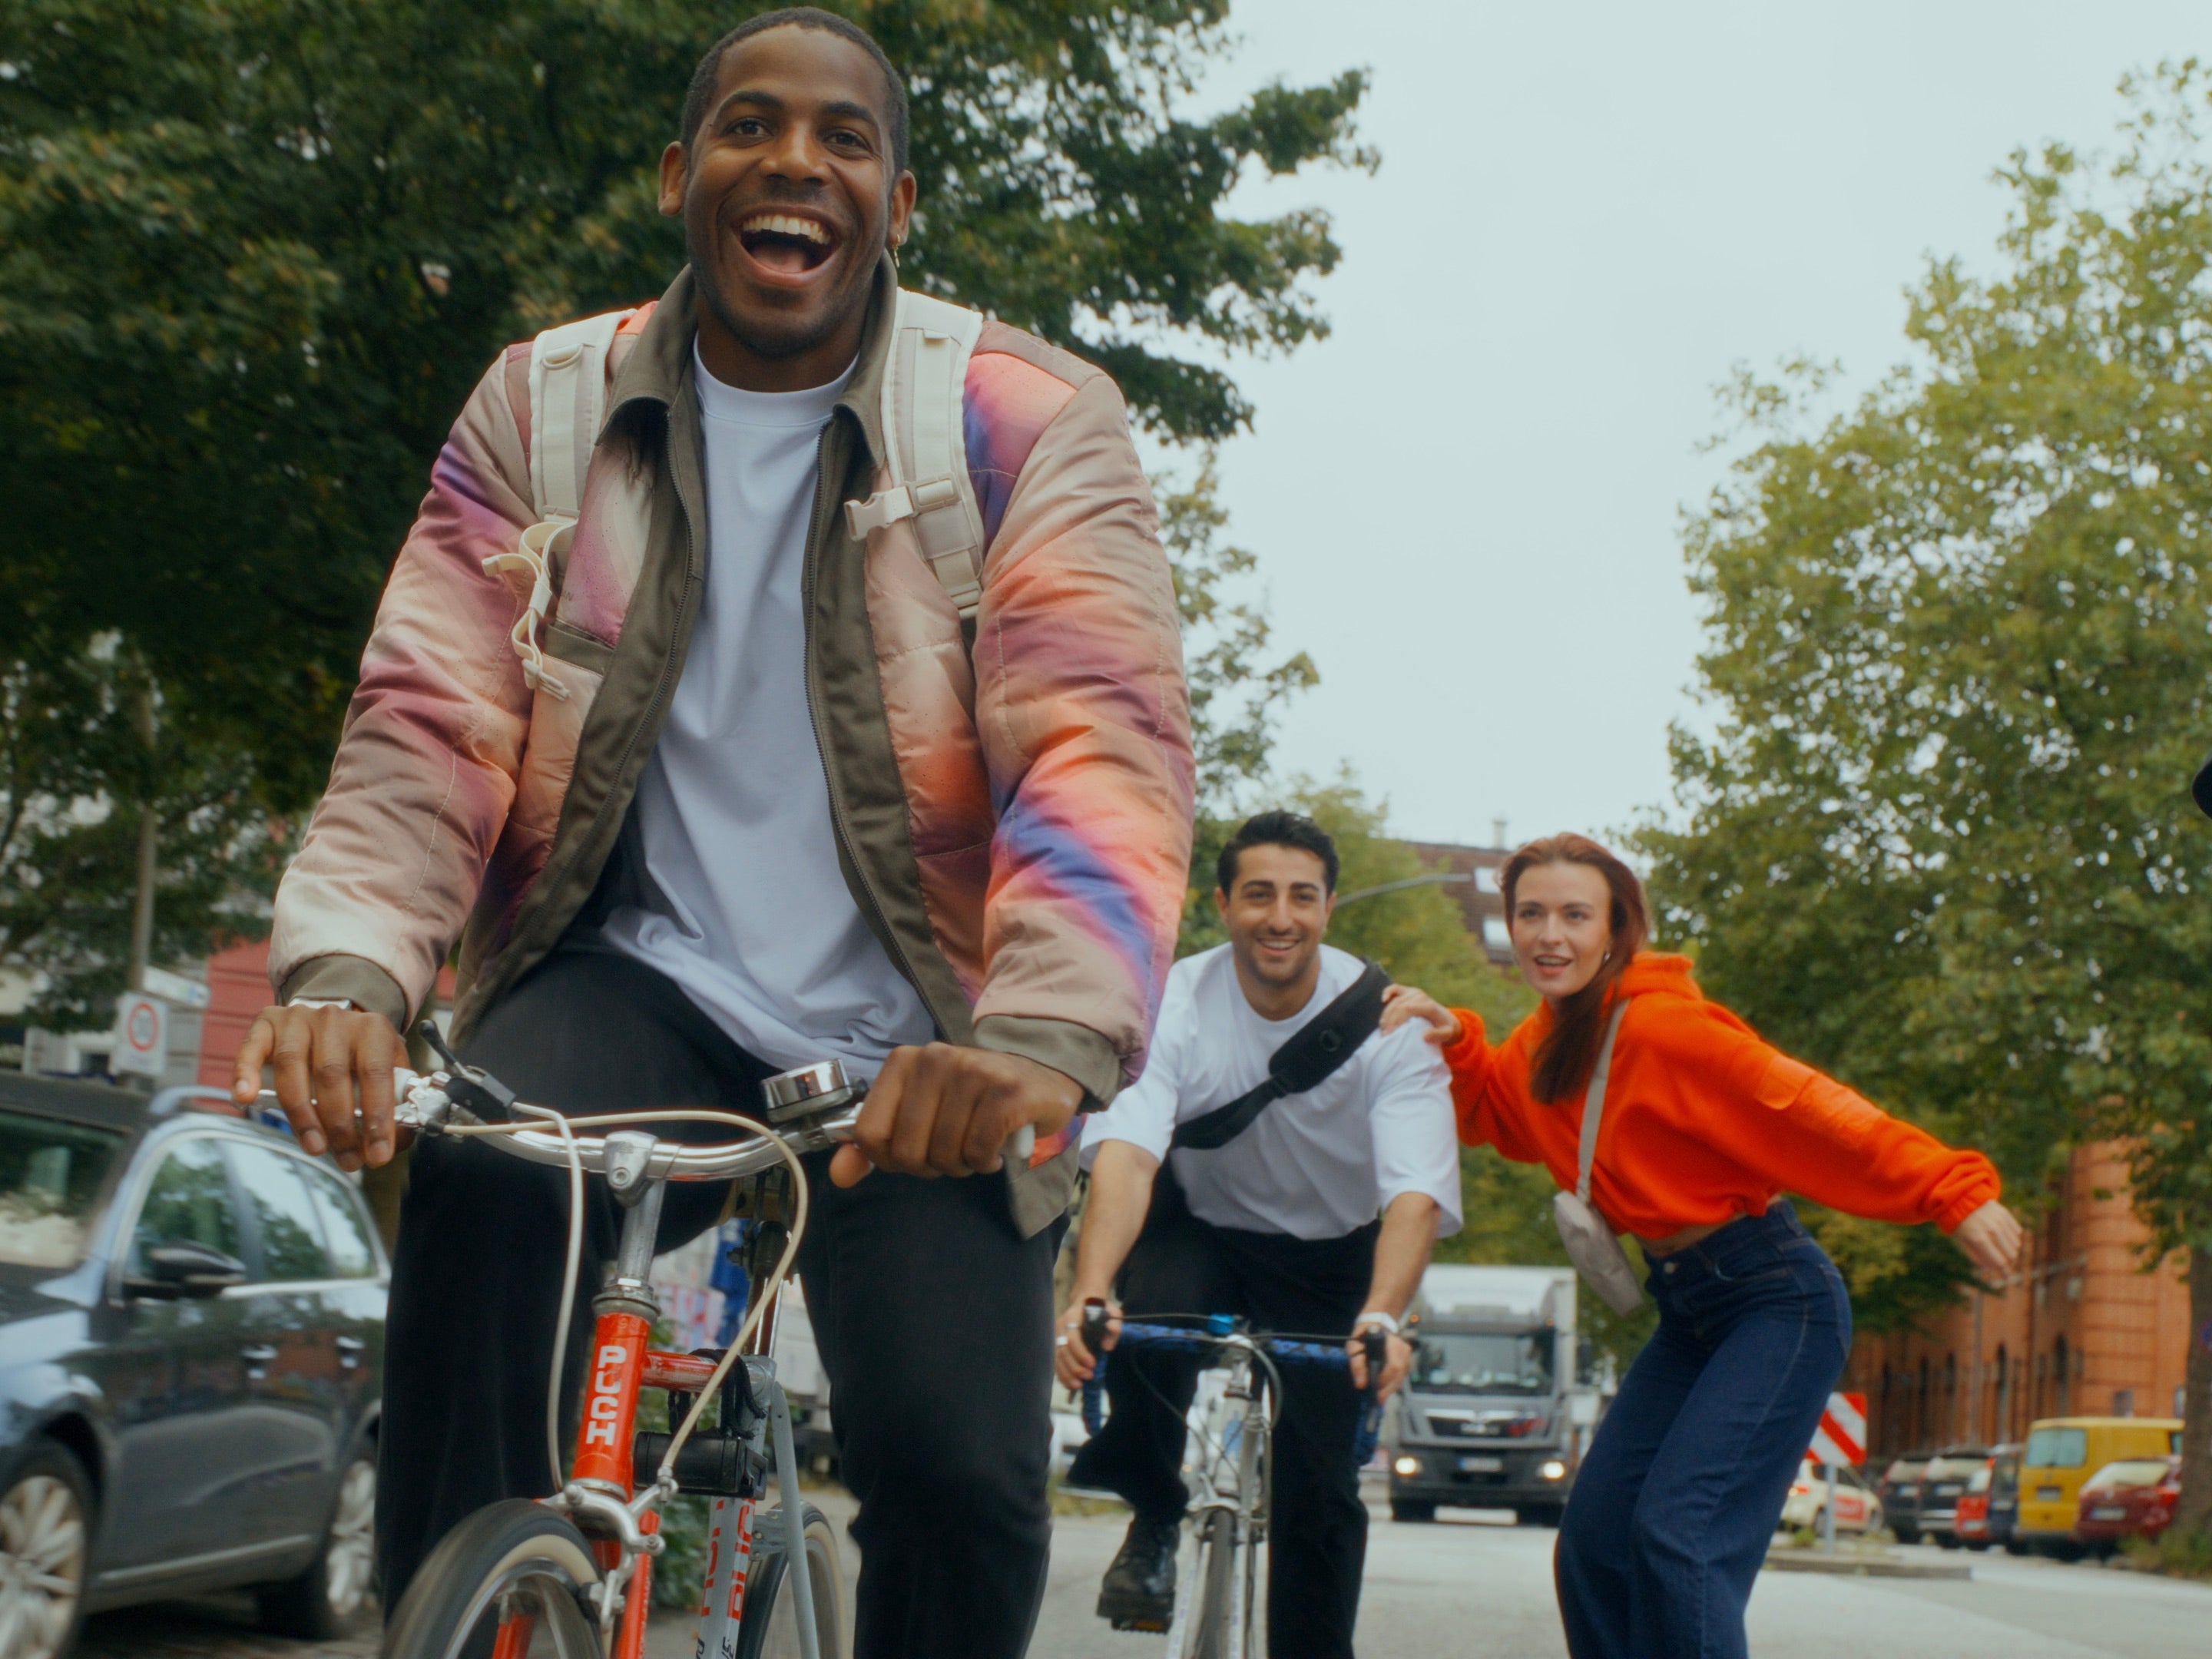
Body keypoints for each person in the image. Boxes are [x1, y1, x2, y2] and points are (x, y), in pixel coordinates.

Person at [229, 12, 1194, 1657]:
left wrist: (1038, 1038)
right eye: (749, 127)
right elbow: (427, 726)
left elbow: (1099, 745)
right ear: (685, 178)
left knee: (959, 1480)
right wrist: (350, 972)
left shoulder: (1024, 422)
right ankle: (460, 1614)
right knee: (478, 1184)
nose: (793, 161)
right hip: (637, 978)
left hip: (925, 1038)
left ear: (894, 205)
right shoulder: (543, 406)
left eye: (843, 139)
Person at [1381, 832, 2023, 1659]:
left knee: (1677, 1536)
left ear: (1619, 929)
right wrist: (1456, 1040)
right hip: (1691, 1314)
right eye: (1530, 914)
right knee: (1595, 1544)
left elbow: (1814, 1112)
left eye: (1576, 915)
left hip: (1776, 1303)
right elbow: (1502, 1113)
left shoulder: (1665, 1032)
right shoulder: (1549, 1042)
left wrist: (1949, 1191)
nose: (1550, 935)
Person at [1056, 810, 1462, 1658]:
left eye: (1302, 897)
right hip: (1203, 1232)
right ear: (1223, 903)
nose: (1281, 916)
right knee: (1147, 1321)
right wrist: (1089, 1291)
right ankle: (1157, 1517)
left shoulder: (1392, 1028)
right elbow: (1128, 1156)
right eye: (1260, 895)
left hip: (1331, 1260)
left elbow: (1414, 1196)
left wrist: (1383, 1314)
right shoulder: (1173, 1001)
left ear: (1329, 907)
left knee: (1320, 1494)